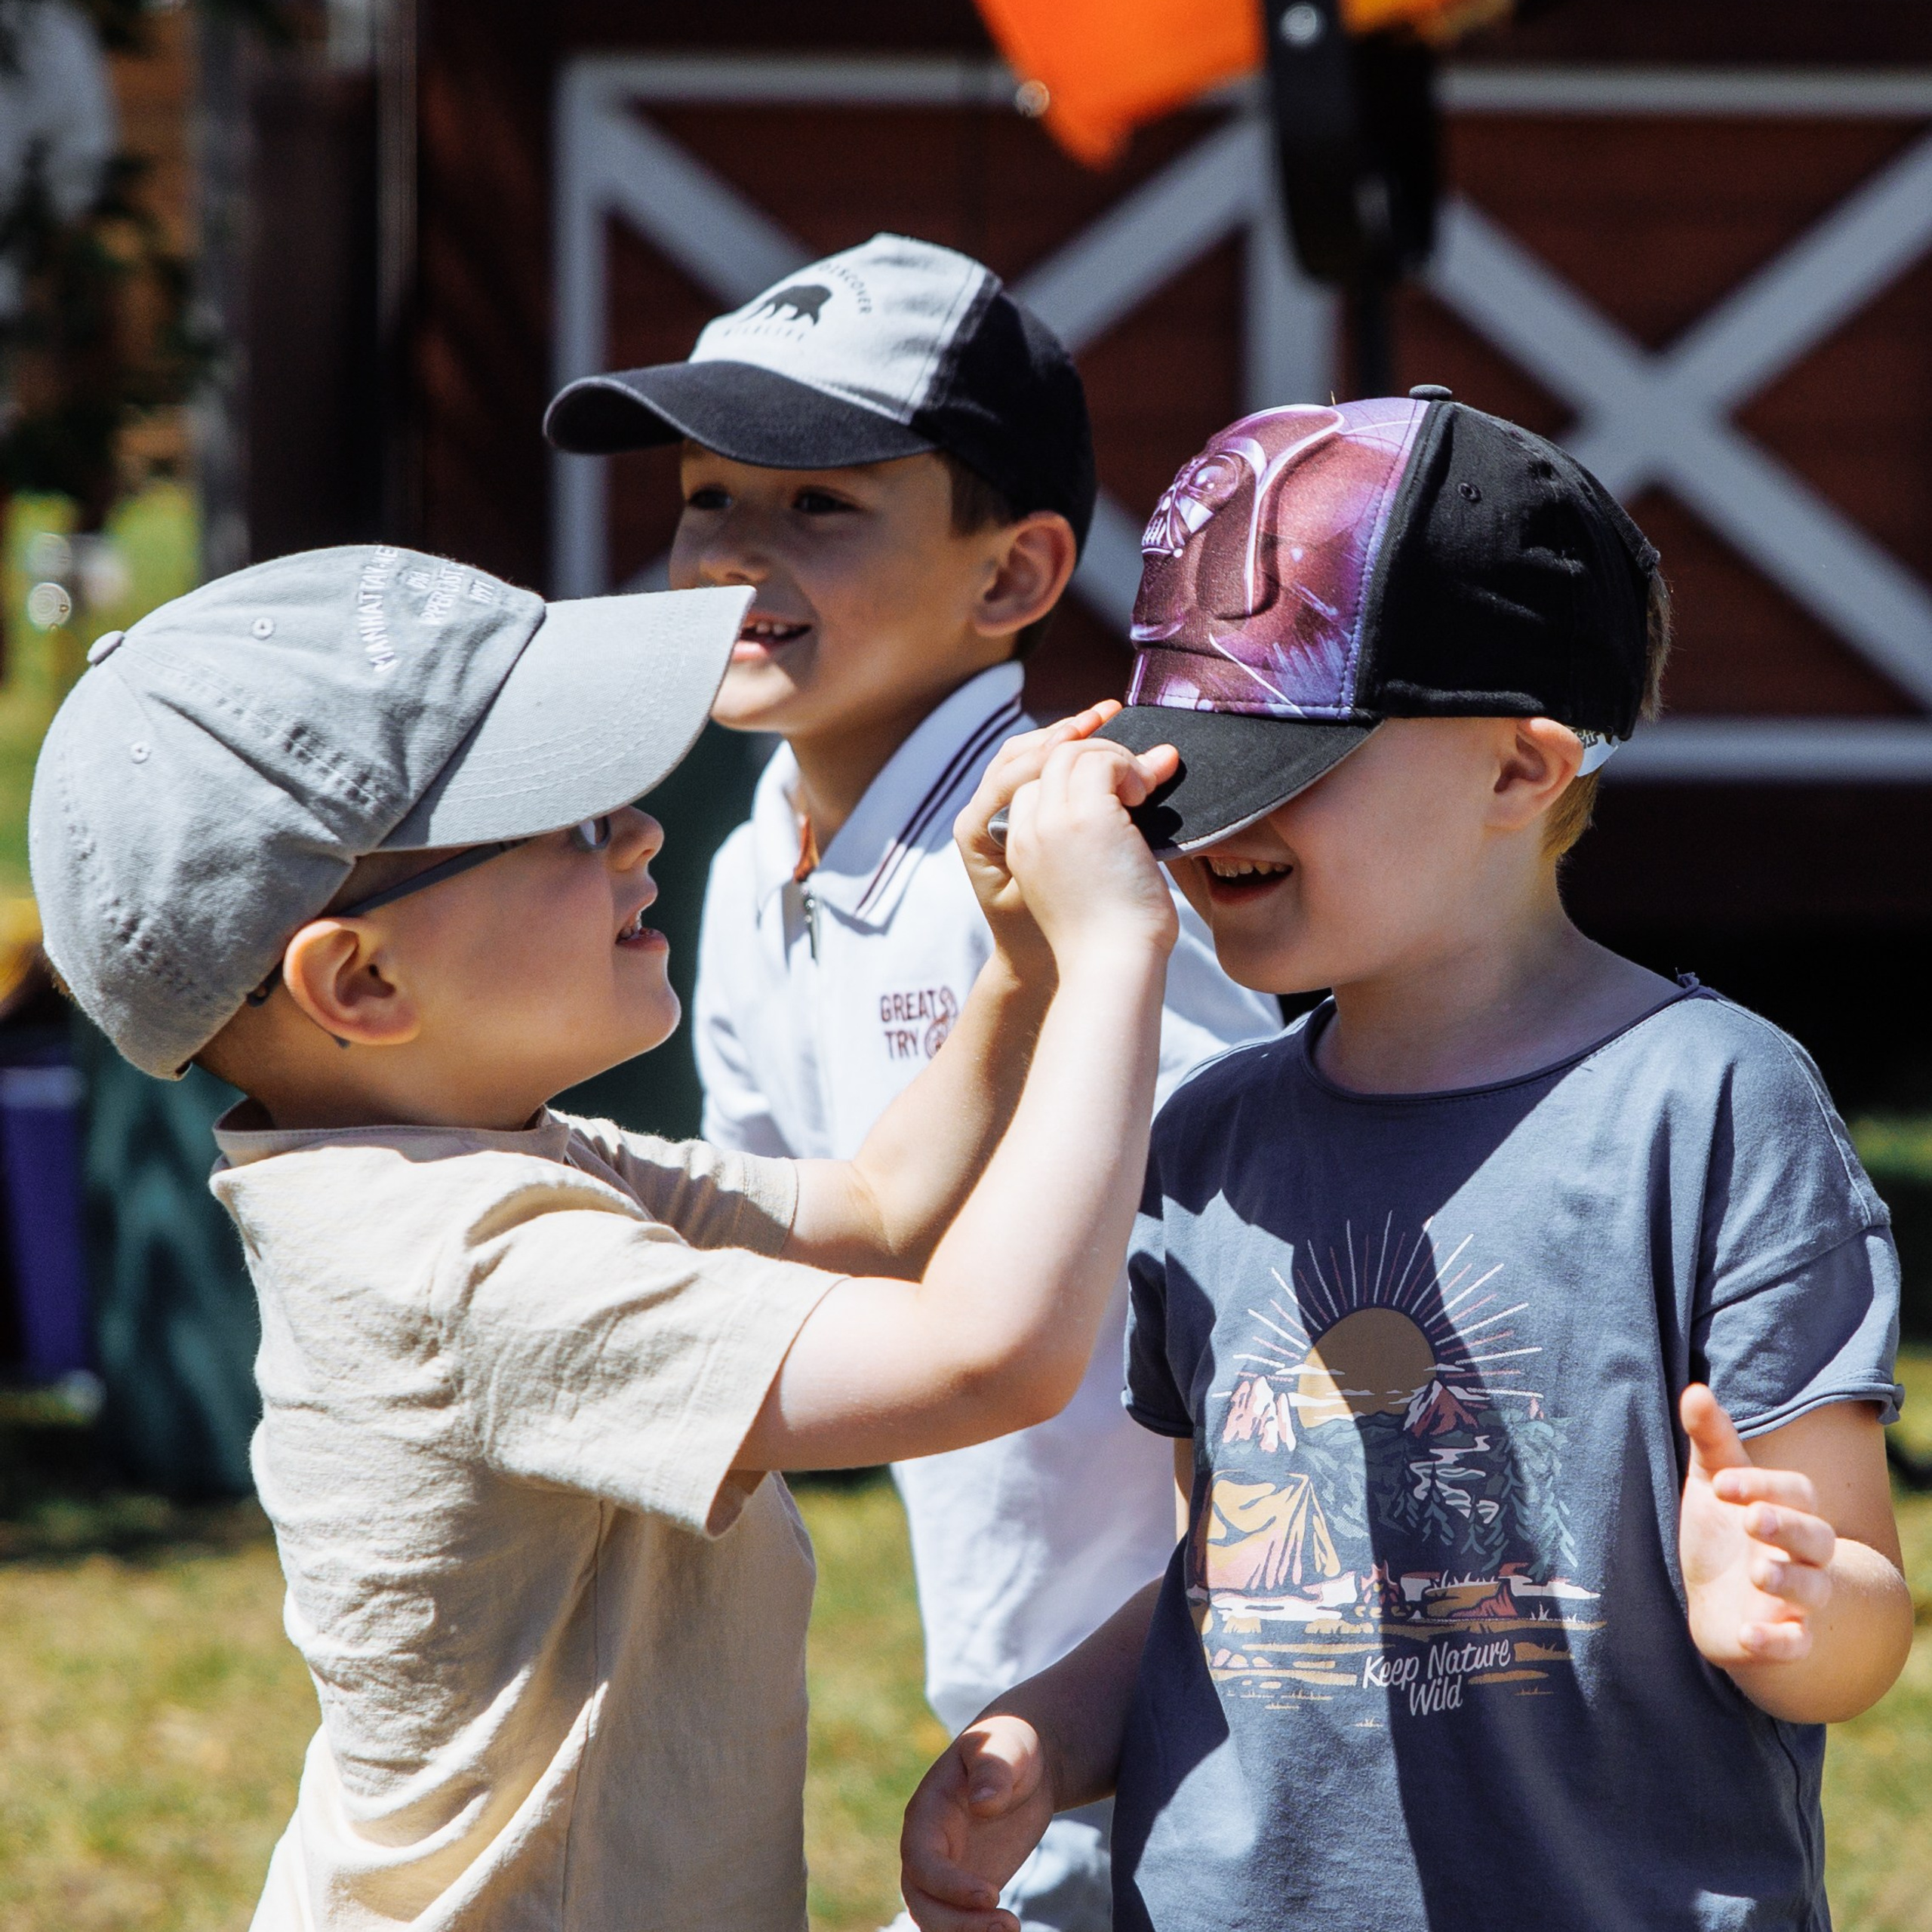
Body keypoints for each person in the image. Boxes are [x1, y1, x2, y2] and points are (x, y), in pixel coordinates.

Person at [26, 545, 1185, 1932]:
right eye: (572, 822)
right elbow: (985, 1357)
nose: (640, 832)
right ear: (364, 977)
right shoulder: (467, 1265)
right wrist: (1120, 959)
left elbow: (880, 1213)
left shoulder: (503, 1159)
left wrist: (1020, 964)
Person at [900, 393, 1913, 1932]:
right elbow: (1225, 1587)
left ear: (1518, 768)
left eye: (1283, 754)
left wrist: (1787, 1601)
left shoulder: (1710, 1104)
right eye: (1185, 755)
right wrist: (1041, 1735)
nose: (1202, 816)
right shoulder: (1212, 1137)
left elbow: (1852, 1608)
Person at [548, 232, 1281, 1930]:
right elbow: (771, 1253)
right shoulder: (743, 867)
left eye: (819, 508)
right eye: (706, 497)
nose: (732, 554)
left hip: (1207, 1680)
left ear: (1015, 576)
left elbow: (1243, 1268)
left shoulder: (1066, 854)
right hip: (1012, 1688)